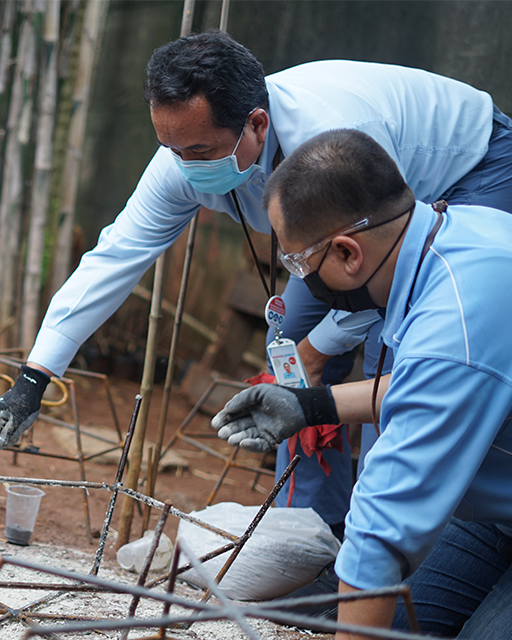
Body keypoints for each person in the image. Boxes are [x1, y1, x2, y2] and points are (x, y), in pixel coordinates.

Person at [0, 29, 512, 537]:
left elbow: (378, 259)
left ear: (257, 124)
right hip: (350, 227)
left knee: (389, 351)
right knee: (291, 361)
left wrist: (322, 349)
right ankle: (313, 536)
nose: (184, 168)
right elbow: (115, 256)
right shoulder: (185, 158)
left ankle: (393, 548)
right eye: (171, 148)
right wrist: (33, 380)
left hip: (472, 171)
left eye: (200, 152)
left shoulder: (338, 137)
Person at [213, 128, 512, 639]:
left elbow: (378, 535)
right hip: (496, 513)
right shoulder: (457, 236)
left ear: (349, 254)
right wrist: (313, 405)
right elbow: (431, 386)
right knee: (392, 621)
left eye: (298, 262)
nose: (298, 277)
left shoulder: (455, 320)